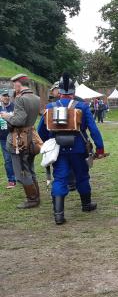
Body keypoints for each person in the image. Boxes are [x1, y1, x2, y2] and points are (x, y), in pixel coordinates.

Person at [37, 73, 107, 225]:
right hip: (79, 148)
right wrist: (100, 149)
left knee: (60, 178)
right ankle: (86, 205)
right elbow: (93, 129)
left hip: (59, 150)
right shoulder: (82, 106)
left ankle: (58, 215)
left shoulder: (50, 107)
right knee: (82, 176)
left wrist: (49, 143)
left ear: (60, 92)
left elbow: (41, 130)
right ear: (74, 93)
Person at [0, 74, 41, 208]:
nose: (13, 87)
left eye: (14, 84)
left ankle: (32, 199)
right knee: (30, 168)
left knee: (22, 171)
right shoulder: (36, 98)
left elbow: (19, 121)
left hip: (20, 140)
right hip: (31, 137)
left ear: (18, 84)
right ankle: (36, 196)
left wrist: (6, 116)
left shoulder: (20, 99)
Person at [0, 90, 16, 189]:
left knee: (18, 157)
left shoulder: (14, 106)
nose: (6, 97)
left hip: (15, 136)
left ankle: (21, 177)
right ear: (0, 97)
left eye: (7, 96)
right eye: (4, 96)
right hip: (3, 138)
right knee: (7, 159)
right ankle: (11, 180)